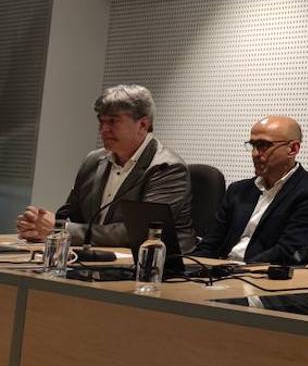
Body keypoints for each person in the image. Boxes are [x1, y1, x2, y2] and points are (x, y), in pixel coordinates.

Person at [16, 84, 197, 252]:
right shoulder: (93, 160)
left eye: (113, 121)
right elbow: (70, 215)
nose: (103, 129)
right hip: (97, 260)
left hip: (160, 269)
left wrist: (60, 229)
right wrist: (37, 226)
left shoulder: (167, 168)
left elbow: (141, 232)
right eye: (101, 121)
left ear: (143, 124)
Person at [194, 116, 308, 264]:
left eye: (263, 145)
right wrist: (193, 267)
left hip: (259, 277)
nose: (255, 153)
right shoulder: (238, 190)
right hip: (220, 273)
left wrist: (233, 270)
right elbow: (210, 243)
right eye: (253, 145)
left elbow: (289, 252)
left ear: (293, 149)